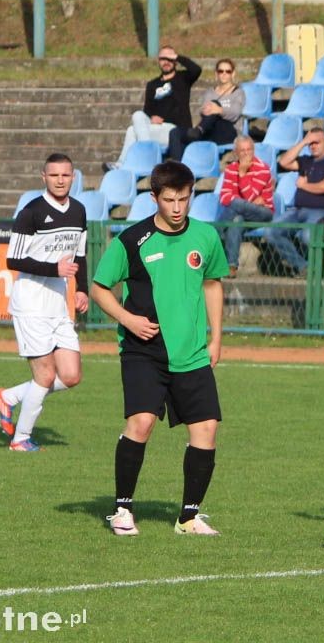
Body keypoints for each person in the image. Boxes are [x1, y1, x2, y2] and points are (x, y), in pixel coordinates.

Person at [91, 161, 227, 537]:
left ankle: (188, 518)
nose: (178, 207)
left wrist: (216, 337)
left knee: (207, 430)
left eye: (184, 198)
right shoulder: (132, 240)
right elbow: (99, 288)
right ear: (155, 198)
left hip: (192, 351)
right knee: (142, 422)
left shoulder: (205, 236)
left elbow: (213, 284)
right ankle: (122, 510)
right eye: (169, 200)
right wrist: (128, 319)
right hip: (144, 350)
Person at [0, 153, 89, 452]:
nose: (61, 180)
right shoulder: (30, 212)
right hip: (30, 304)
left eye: (66, 175)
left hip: (57, 305)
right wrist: (53, 269)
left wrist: (81, 289)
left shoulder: (80, 211)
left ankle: (9, 398)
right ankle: (20, 439)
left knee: (71, 376)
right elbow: (13, 258)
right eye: (54, 175)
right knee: (45, 376)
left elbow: (79, 255)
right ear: (43, 177)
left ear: (73, 177)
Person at [105, 46, 202, 171]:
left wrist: (177, 57)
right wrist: (151, 118)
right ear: (158, 61)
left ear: (175, 61)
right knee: (136, 117)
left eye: (169, 59)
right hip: (154, 130)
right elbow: (147, 110)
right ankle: (121, 164)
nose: (166, 62)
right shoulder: (152, 84)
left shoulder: (183, 78)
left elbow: (196, 69)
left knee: (132, 131)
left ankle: (144, 158)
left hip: (173, 131)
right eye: (163, 59)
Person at [264, 128, 324, 277]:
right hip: (297, 210)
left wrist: (303, 185)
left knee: (308, 236)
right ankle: (303, 267)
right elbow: (284, 162)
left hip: (322, 211)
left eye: (317, 142)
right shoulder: (306, 161)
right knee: (271, 231)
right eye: (311, 143)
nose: (313, 146)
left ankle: (323, 268)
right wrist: (303, 142)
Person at [218, 136, 275, 278]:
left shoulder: (263, 168)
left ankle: (214, 234)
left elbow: (248, 196)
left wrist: (242, 174)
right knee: (236, 219)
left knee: (236, 204)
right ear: (236, 152)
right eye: (242, 150)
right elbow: (224, 197)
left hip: (263, 212)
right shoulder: (231, 169)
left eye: (249, 149)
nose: (246, 153)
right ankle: (231, 266)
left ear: (253, 150)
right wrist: (241, 199)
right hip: (241, 213)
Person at [168, 58, 245, 161]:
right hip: (209, 129)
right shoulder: (210, 92)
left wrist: (219, 110)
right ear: (216, 73)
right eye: (220, 71)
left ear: (233, 74)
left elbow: (236, 112)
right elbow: (203, 111)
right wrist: (206, 110)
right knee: (175, 132)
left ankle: (199, 131)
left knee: (215, 104)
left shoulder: (238, 92)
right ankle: (179, 167)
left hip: (228, 130)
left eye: (228, 71)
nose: (224, 74)